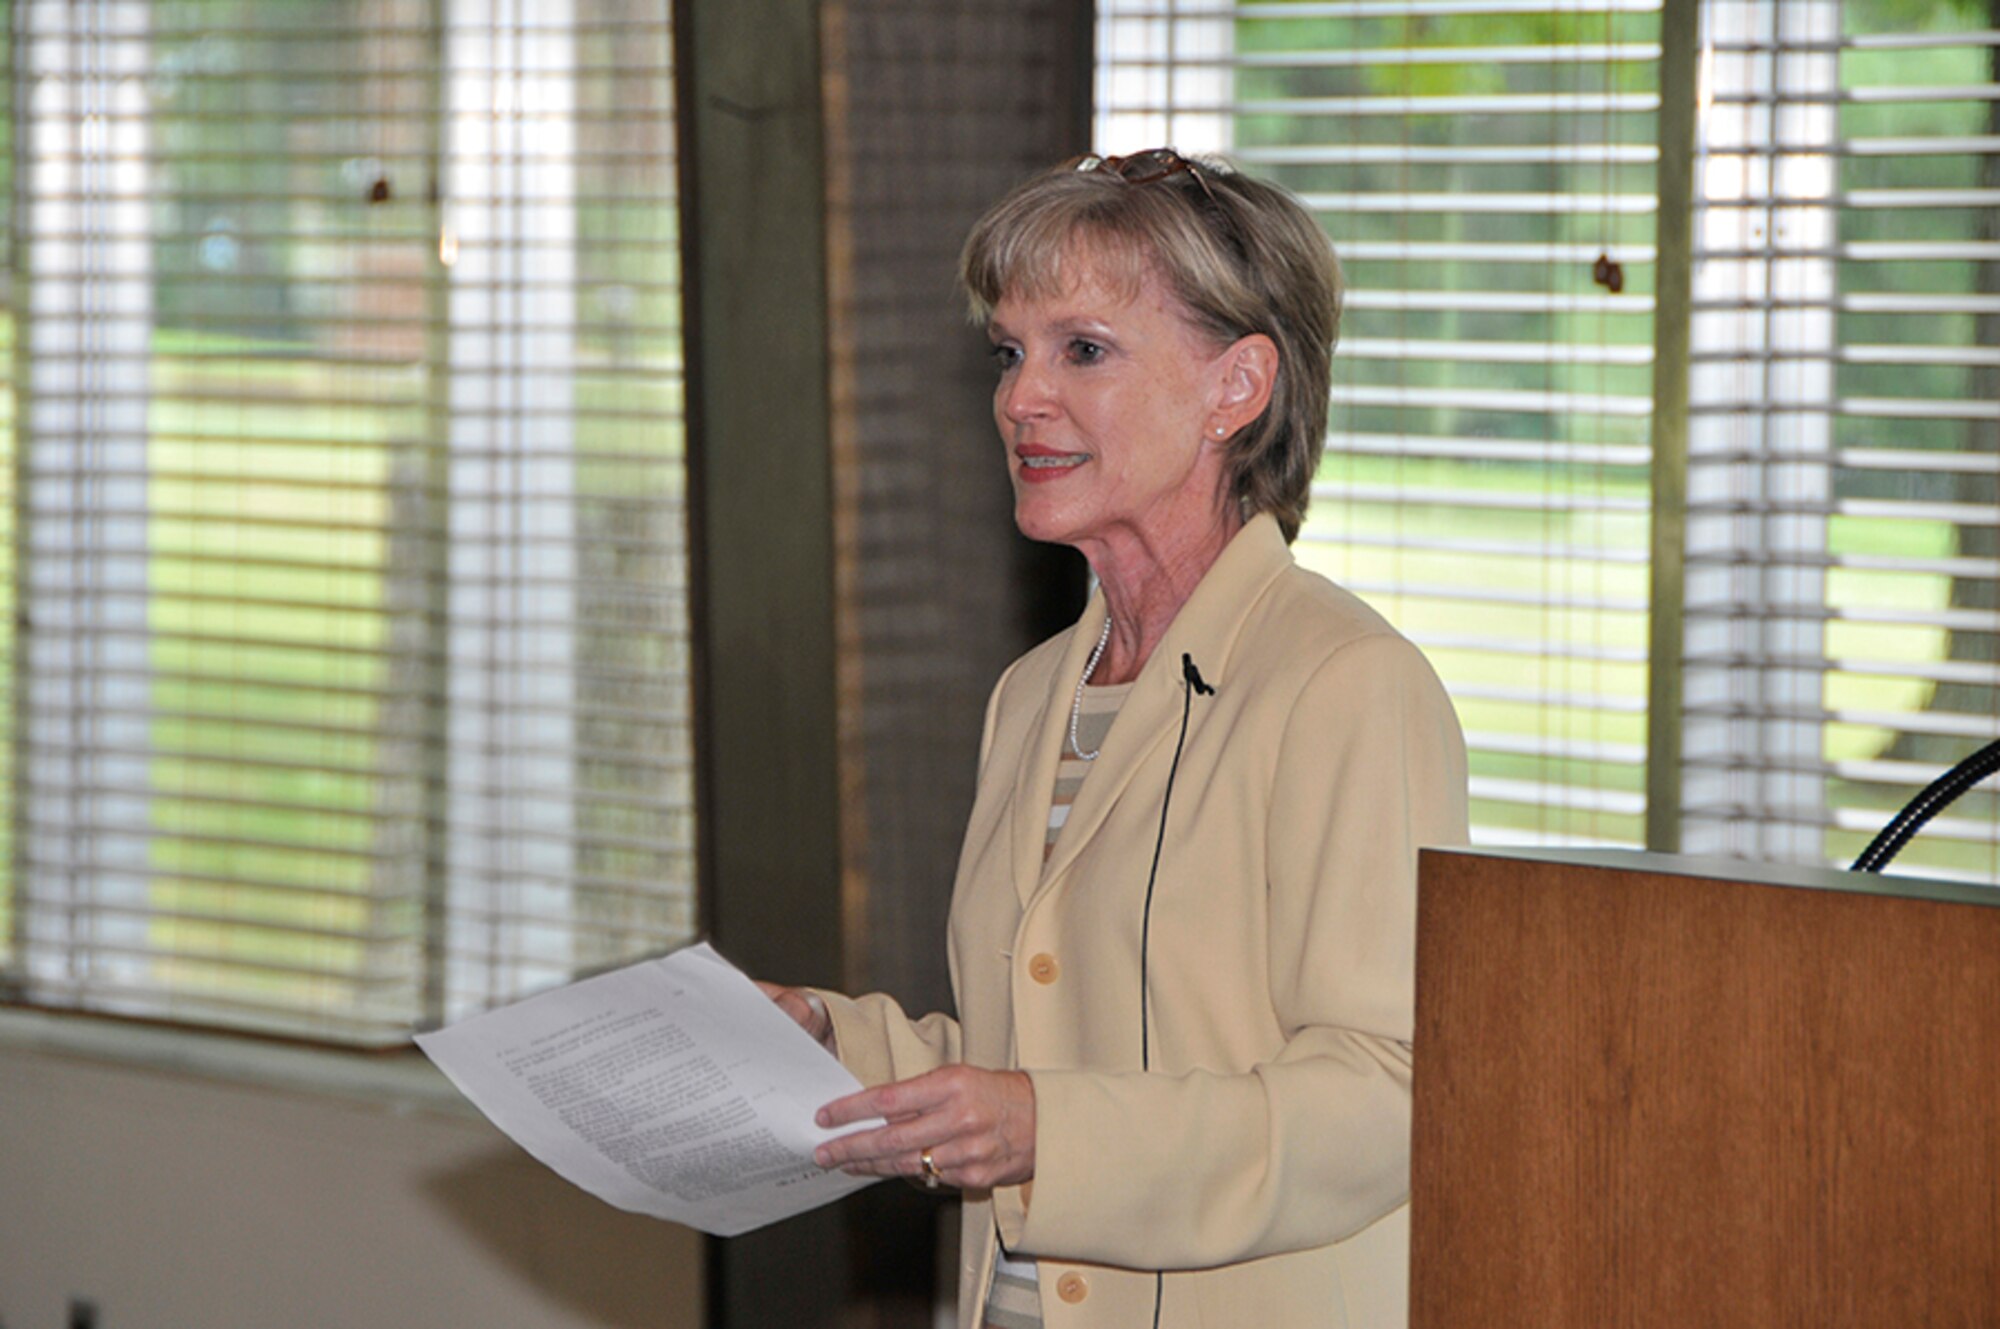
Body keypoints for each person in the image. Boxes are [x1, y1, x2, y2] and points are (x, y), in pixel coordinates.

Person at [763, 148, 1469, 1329]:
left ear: (1236, 387)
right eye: (1008, 353)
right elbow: (1049, 1047)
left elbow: (1388, 1093)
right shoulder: (1034, 691)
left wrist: (1047, 1131)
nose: (1018, 399)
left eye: (1080, 350)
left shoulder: (1346, 683)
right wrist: (838, 1046)